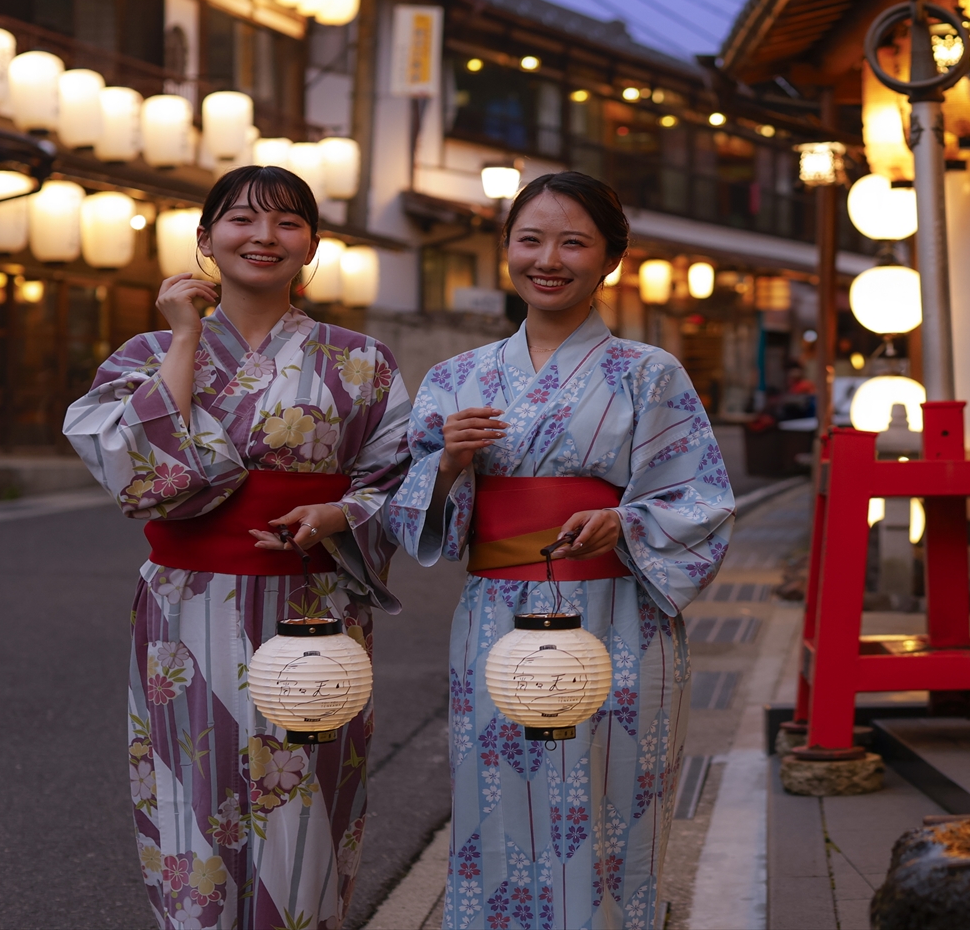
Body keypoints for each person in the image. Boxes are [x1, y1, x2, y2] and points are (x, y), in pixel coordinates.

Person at [382, 172, 733, 930]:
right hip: (497, 616)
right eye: (530, 238)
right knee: (497, 799)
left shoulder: (649, 373)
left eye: (573, 241)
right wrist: (446, 464)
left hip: (618, 614)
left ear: (609, 258)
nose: (549, 258)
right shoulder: (456, 379)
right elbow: (408, 516)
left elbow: (700, 499)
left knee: (608, 797)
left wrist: (625, 521)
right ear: (505, 247)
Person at [63, 165, 412, 930]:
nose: (264, 237)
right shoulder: (143, 353)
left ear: (312, 246)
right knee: (196, 781)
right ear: (205, 239)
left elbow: (399, 482)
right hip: (186, 605)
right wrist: (186, 334)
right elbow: (140, 475)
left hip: (316, 600)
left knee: (310, 794)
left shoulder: (363, 362)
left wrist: (337, 511)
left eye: (288, 223)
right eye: (243, 220)